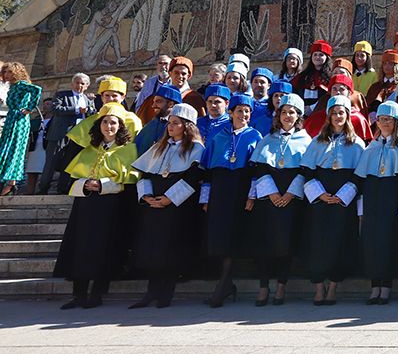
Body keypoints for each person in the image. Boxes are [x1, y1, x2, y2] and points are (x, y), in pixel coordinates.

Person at [53, 103, 139, 309]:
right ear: (99, 125)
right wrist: (85, 184)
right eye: (105, 122)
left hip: (110, 207)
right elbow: (71, 179)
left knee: (104, 247)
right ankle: (79, 294)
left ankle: (97, 292)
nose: (109, 126)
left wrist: (102, 185)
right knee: (80, 247)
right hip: (85, 205)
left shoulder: (129, 150)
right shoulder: (89, 150)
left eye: (113, 123)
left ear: (120, 126)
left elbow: (129, 181)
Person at [129, 103, 205, 309]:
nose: (170, 127)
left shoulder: (196, 149)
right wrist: (146, 195)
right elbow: (145, 173)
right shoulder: (159, 146)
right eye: (169, 123)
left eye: (175, 123)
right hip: (154, 203)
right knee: (152, 247)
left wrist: (170, 198)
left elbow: (193, 176)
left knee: (171, 249)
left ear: (186, 126)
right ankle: (151, 292)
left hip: (176, 206)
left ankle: (166, 292)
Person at [245, 92, 310, 307]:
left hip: (292, 199)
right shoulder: (267, 139)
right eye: (284, 112)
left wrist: (290, 194)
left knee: (286, 243)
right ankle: (264, 286)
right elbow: (260, 168)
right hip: (268, 199)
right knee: (265, 242)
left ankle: (282, 285)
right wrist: (272, 193)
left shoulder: (306, 140)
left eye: (292, 112)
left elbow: (306, 170)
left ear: (298, 116)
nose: (287, 116)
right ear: (278, 115)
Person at [300, 95, 365, 305]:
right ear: (328, 116)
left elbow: (359, 174)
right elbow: (308, 171)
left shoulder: (357, 144)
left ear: (347, 116)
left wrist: (343, 195)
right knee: (317, 242)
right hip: (320, 198)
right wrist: (320, 195)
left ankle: (333, 287)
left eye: (341, 113)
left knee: (340, 241)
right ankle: (319, 287)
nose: (337, 116)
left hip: (343, 199)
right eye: (334, 113)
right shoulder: (317, 141)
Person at [200, 92, 261, 307]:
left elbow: (256, 171)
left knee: (233, 237)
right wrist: (205, 198)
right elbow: (208, 172)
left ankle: (223, 286)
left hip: (241, 192)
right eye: (239, 111)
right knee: (219, 237)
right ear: (231, 112)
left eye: (247, 111)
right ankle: (226, 283)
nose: (243, 115)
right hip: (220, 191)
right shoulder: (219, 136)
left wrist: (251, 195)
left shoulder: (255, 136)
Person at [354, 99, 398, 306]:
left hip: (391, 200)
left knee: (389, 243)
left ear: (396, 122)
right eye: (381, 119)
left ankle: (386, 287)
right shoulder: (370, 147)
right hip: (371, 200)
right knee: (371, 244)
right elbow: (361, 181)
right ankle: (374, 286)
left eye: (389, 119)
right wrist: (360, 210)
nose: (384, 123)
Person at [36, 73, 94, 195]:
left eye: (82, 83)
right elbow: (55, 109)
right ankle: (43, 188)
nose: (79, 85)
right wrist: (77, 110)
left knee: (69, 163)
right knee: (51, 162)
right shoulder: (62, 95)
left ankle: (63, 189)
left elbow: (92, 115)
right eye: (77, 83)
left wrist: (90, 111)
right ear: (72, 84)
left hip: (78, 137)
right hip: (60, 135)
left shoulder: (88, 100)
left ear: (87, 86)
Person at [0, 63, 40, 195]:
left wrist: (29, 108)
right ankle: (10, 182)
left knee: (14, 148)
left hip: (19, 120)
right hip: (11, 118)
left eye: (9, 72)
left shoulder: (21, 84)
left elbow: (37, 90)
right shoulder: (13, 86)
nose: (6, 75)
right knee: (7, 147)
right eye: (5, 72)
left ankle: (11, 182)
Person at [135, 84, 183, 155]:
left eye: (158, 101)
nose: (153, 106)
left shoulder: (181, 127)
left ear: (171, 104)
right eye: (153, 102)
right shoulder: (151, 124)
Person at [293, 40, 334, 114]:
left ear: (327, 58)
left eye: (321, 55)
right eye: (315, 54)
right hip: (302, 113)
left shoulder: (331, 77)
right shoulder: (302, 76)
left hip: (322, 113)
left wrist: (312, 108)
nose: (317, 57)